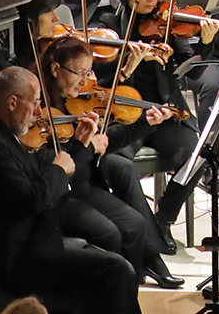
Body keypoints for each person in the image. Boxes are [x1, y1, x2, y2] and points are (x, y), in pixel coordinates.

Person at [0, 67, 141, 314]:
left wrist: (80, 144)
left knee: (114, 264)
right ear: (13, 102)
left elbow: (39, 178)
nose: (38, 112)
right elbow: (32, 199)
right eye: (35, 103)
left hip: (33, 244)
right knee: (117, 270)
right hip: (21, 260)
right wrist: (58, 171)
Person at [36, 37, 181, 283]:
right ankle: (119, 289)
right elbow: (65, 167)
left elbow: (106, 142)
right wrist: (87, 147)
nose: (85, 81)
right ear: (55, 70)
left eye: (88, 72)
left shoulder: (74, 102)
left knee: (134, 222)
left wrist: (146, 122)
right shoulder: (43, 109)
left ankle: (130, 286)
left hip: (81, 183)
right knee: (126, 227)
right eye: (78, 73)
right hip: (60, 192)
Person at [88, 0, 203, 175]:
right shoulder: (110, 26)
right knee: (117, 165)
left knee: (193, 163)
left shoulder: (166, 24)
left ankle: (166, 210)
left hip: (166, 113)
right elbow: (97, 73)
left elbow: (194, 71)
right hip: (126, 117)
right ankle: (139, 210)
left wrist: (206, 42)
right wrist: (129, 60)